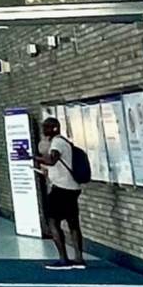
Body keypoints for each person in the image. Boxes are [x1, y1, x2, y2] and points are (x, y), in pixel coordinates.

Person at [35, 116, 86, 271]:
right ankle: (79, 258)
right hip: (72, 187)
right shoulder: (65, 142)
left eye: (47, 127)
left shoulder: (57, 142)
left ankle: (63, 259)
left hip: (61, 188)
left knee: (52, 221)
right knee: (73, 223)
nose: (43, 130)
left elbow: (52, 160)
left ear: (55, 128)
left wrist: (33, 157)